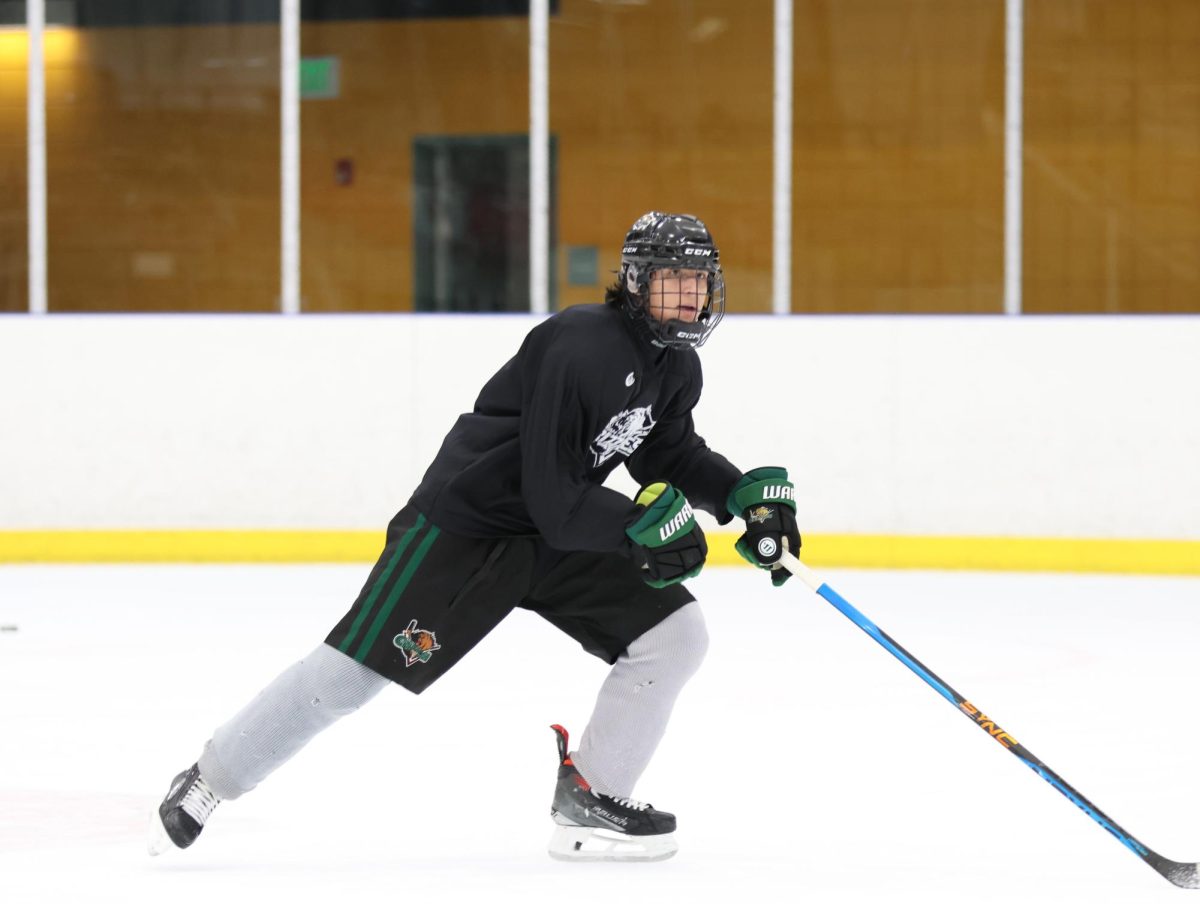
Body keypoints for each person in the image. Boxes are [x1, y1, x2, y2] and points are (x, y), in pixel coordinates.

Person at [148, 211, 800, 863]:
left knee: (674, 635)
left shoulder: (675, 367)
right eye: (674, 278)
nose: (691, 294)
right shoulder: (580, 346)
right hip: (465, 532)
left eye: (700, 280)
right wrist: (638, 528)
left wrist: (740, 496)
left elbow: (668, 453)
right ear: (635, 281)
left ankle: (592, 799)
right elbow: (552, 494)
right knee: (349, 679)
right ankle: (212, 779)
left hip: (556, 530)